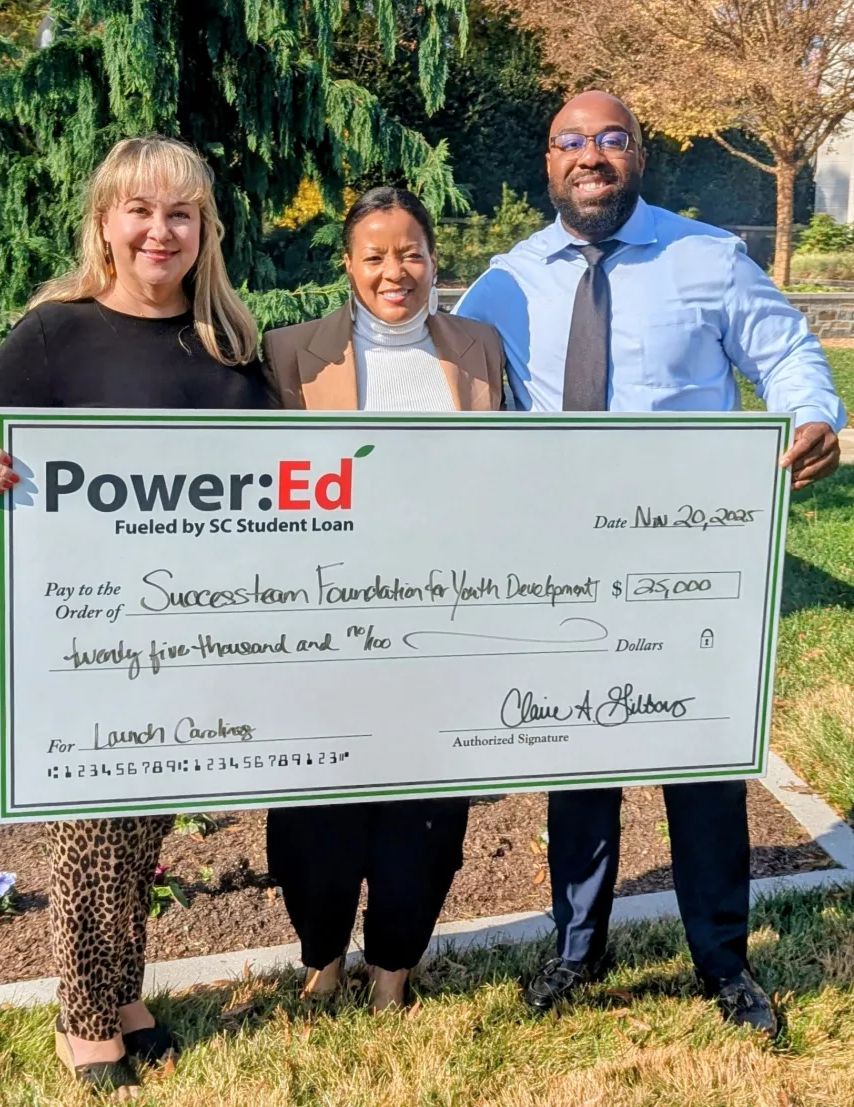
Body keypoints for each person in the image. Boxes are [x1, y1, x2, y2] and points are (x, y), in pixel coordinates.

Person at [454, 91, 844, 1036]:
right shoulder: (502, 285)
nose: (591, 155)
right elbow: (446, 386)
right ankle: (576, 948)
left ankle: (723, 958)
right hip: (561, 567)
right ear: (549, 162)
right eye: (571, 141)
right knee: (577, 762)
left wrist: (813, 414)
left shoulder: (708, 259)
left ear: (639, 155)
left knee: (701, 768)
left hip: (688, 563)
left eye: (611, 139)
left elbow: (787, 352)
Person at [0, 135, 270, 1098]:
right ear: (106, 223)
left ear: (204, 230)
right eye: (140, 210)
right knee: (92, 824)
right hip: (82, 638)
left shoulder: (230, 346)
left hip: (190, 632)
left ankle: (121, 994)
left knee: (142, 825)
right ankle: (84, 1023)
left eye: (181, 213)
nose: (159, 231)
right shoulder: (53, 335)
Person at [263, 186, 504, 1011]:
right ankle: (322, 958)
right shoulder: (290, 354)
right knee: (314, 809)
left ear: (434, 259)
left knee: (425, 808)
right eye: (375, 255)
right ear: (349, 265)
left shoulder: (479, 348)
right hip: (322, 622)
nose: (394, 271)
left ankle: (394, 969)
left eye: (411, 253)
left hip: (444, 621)